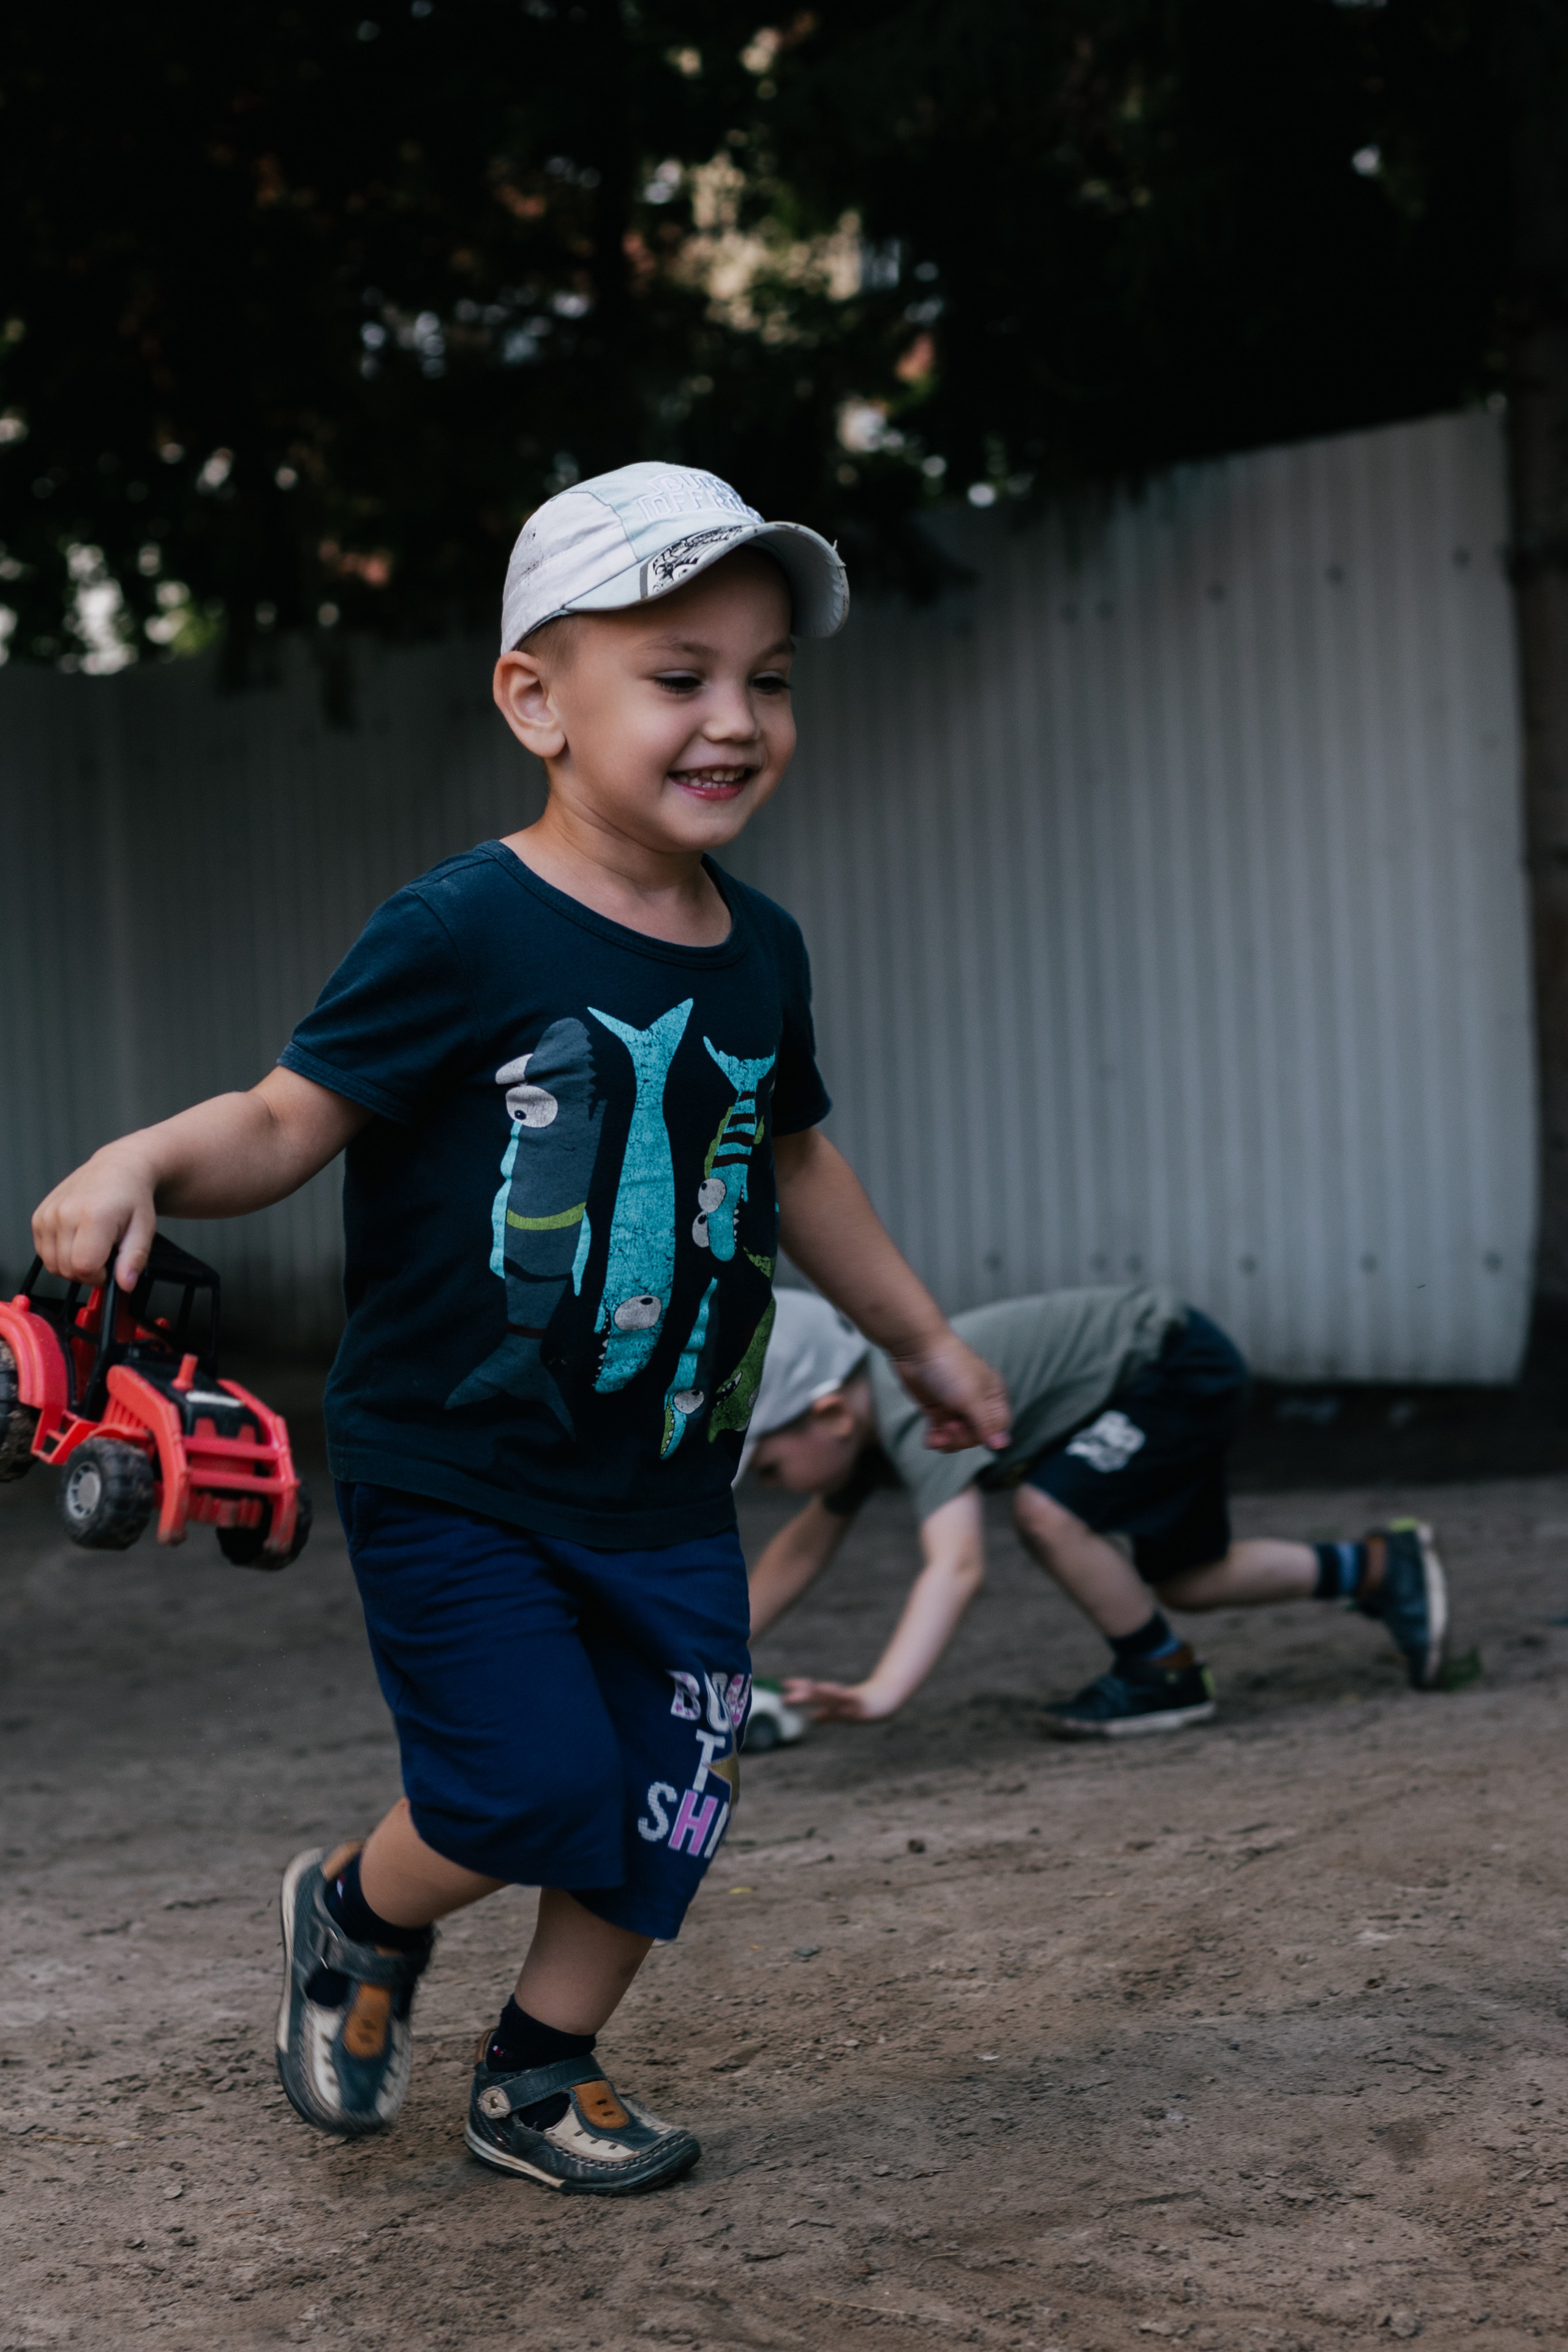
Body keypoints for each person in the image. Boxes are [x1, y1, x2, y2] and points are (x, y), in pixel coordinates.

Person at [29, 464, 1011, 2195]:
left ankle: (539, 2078)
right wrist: (141, 1157)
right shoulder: (460, 928)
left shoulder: (761, 952)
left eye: (768, 679)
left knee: (662, 1809)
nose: (736, 719)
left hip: (667, 1485)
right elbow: (284, 1120)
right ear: (537, 701)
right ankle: (351, 1918)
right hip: (460, 1465)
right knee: (514, 1790)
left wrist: (920, 1342)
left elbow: (797, 1165)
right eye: (680, 675)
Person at [742, 1286, 1450, 1734]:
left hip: (1171, 1367)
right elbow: (800, 1552)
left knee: (1047, 1514)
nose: (769, 1484)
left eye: (768, 1465)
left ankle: (1160, 1675)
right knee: (1189, 1579)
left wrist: (879, 1692)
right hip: (1162, 1374)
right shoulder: (865, 1434)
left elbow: (956, 1566)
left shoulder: (909, 1408)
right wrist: (708, 1649)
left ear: (831, 1414)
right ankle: (1380, 1569)